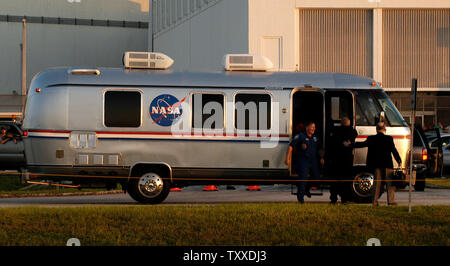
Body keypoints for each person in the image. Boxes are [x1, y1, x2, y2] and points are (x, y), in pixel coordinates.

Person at [345, 122, 401, 206]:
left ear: (376, 129)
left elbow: (361, 144)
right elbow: (394, 150)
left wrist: (350, 145)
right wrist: (399, 160)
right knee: (389, 184)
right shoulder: (389, 138)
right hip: (387, 164)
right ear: (384, 129)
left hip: (376, 164)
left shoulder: (371, 138)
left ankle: (374, 202)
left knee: (376, 184)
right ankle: (391, 201)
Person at [285, 122, 324, 203]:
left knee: (317, 179)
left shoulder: (315, 137)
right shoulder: (300, 136)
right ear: (307, 128)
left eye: (314, 127)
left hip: (313, 161)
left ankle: (307, 188)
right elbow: (291, 146)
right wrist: (287, 158)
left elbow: (320, 149)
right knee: (302, 180)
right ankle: (300, 199)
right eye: (312, 127)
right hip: (303, 161)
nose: (313, 129)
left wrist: (322, 157)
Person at [329, 117, 358, 204]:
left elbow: (332, 142)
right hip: (347, 159)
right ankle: (344, 199)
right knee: (346, 180)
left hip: (336, 159)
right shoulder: (352, 131)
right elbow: (354, 136)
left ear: (341, 123)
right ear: (349, 123)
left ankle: (333, 199)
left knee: (334, 180)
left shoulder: (335, 131)